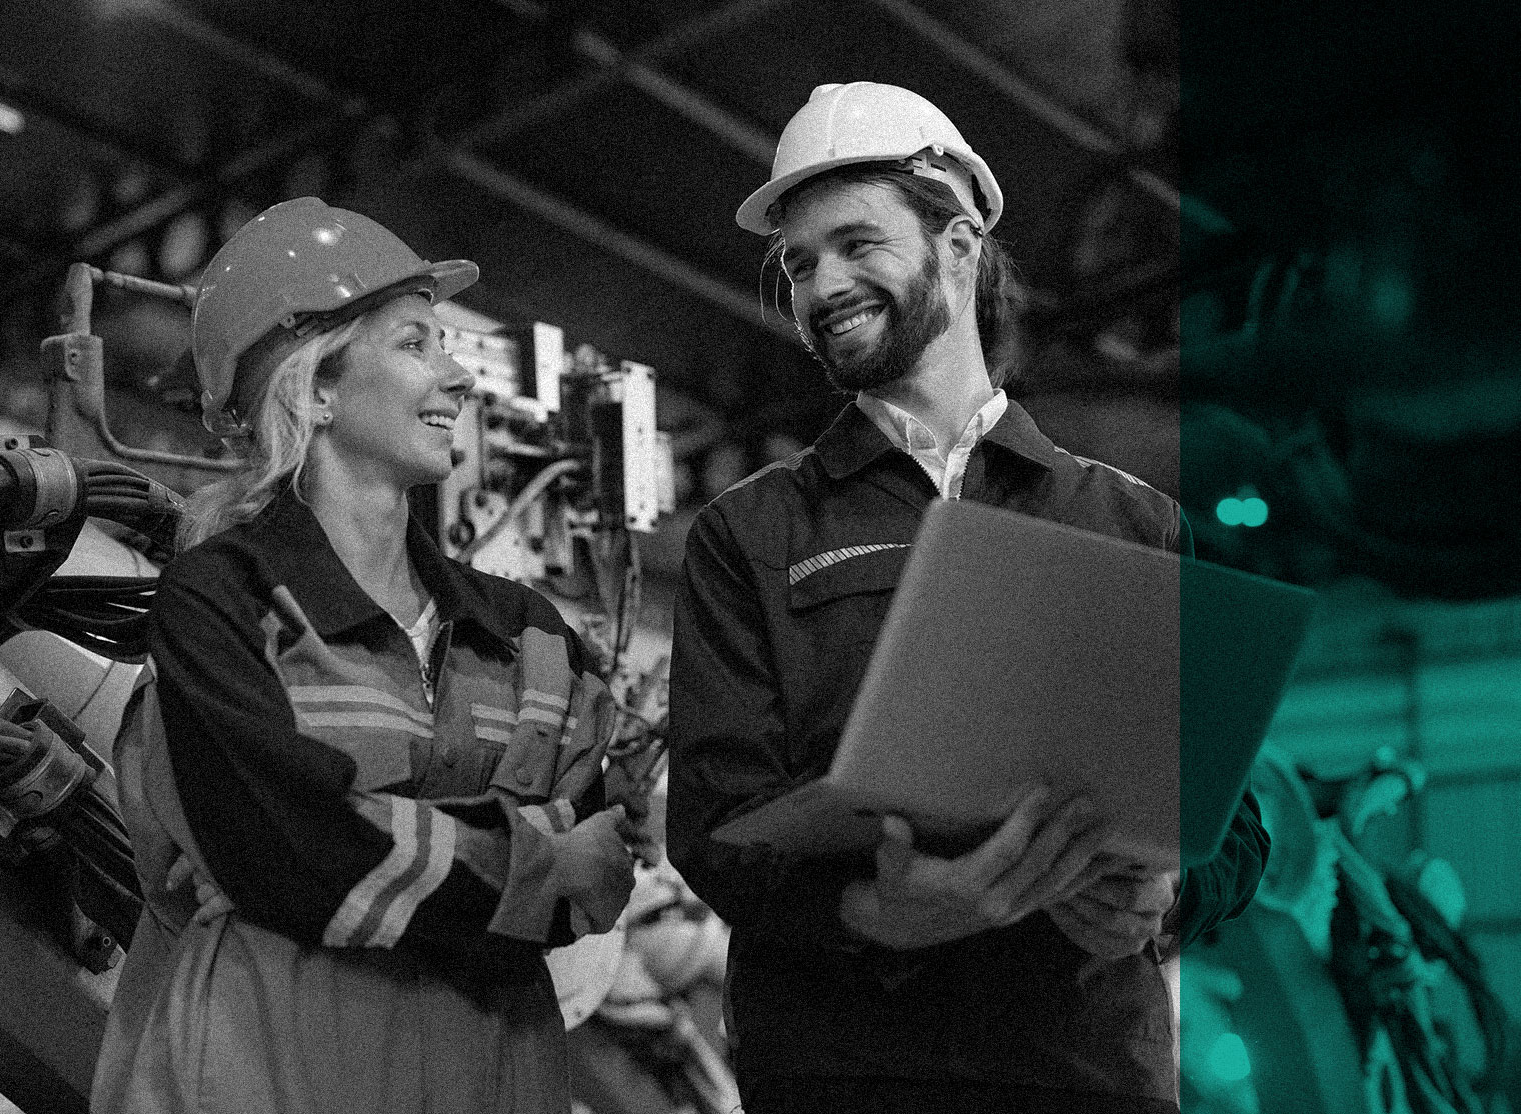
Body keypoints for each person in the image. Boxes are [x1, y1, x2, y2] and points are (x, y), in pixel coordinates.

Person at [665, 83, 1270, 1113]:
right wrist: (866, 910)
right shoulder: (751, 533)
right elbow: (716, 822)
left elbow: (1232, 814)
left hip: (1081, 1071)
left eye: (858, 244)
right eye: (800, 263)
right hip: (846, 1072)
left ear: (958, 245)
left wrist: (1167, 896)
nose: (823, 285)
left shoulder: (1130, 520)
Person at [91, 197, 636, 1114]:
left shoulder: (527, 628)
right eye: (417, 343)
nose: (458, 376)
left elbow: (604, 849)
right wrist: (534, 865)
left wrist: (392, 842)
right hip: (274, 1063)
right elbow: (294, 846)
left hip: (494, 1069)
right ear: (316, 388)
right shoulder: (222, 598)